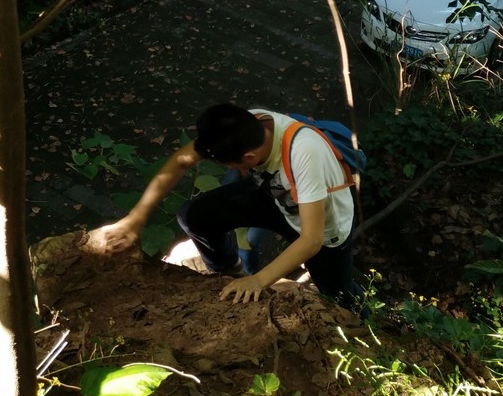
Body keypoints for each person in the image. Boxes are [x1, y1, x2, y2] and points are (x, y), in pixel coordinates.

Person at [89, 103, 358, 306]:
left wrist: (259, 281)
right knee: (195, 215)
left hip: (322, 227)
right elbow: (182, 159)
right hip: (275, 198)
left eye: (225, 163)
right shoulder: (245, 127)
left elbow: (311, 240)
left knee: (339, 294)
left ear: (249, 158)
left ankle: (365, 323)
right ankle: (228, 271)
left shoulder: (305, 154)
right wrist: (136, 218)